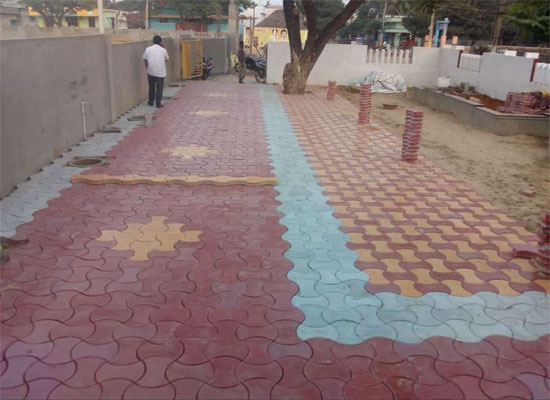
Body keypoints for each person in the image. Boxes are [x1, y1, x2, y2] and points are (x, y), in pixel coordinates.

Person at [142, 35, 169, 108]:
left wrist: (147, 66)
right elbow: (167, 59)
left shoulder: (148, 49)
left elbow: (144, 58)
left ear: (153, 41)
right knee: (159, 88)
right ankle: (158, 103)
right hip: (160, 72)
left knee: (151, 87)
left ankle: (151, 101)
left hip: (151, 71)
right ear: (160, 42)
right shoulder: (163, 50)